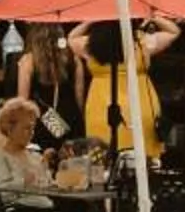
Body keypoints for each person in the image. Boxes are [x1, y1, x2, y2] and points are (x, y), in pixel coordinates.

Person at [72, 12, 178, 163]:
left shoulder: (89, 44)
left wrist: (91, 19)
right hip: (140, 104)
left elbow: (72, 38)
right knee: (142, 157)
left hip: (100, 106)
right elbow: (173, 31)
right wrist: (150, 15)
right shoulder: (143, 42)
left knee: (101, 155)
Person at [13, 25, 84, 150]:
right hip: (71, 122)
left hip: (40, 124)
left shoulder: (28, 61)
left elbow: (22, 102)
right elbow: (80, 98)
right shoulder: (74, 60)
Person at [0, 95, 52, 199]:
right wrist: (23, 182)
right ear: (10, 129)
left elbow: (46, 185)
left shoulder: (35, 156)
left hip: (47, 207)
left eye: (33, 128)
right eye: (27, 128)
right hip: (20, 211)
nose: (31, 133)